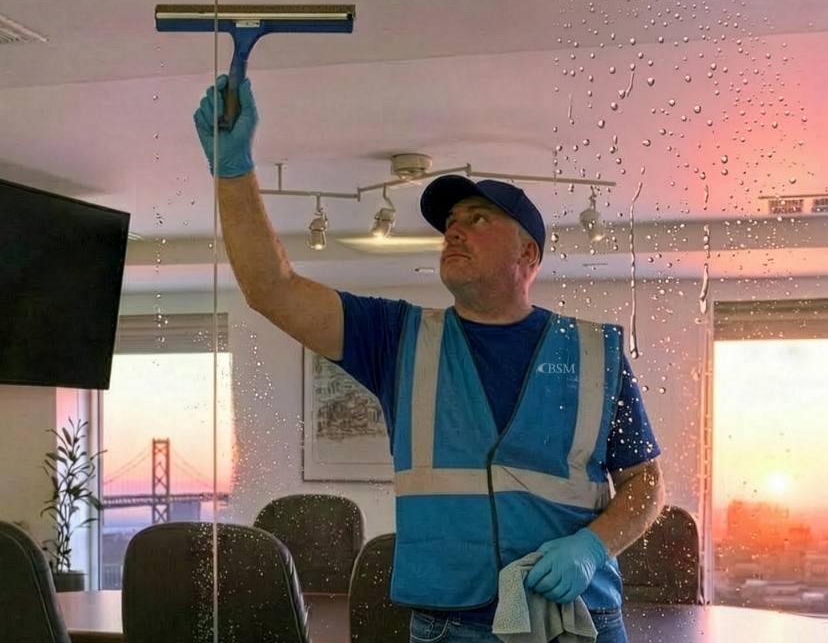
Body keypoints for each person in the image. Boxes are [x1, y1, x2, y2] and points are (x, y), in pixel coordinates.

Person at [194, 75, 666, 643]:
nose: (454, 232)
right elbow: (272, 289)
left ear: (528, 253)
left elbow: (645, 482)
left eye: (478, 219)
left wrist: (592, 547)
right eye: (450, 224)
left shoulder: (596, 352)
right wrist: (234, 170)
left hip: (577, 621)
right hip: (451, 626)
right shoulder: (398, 337)